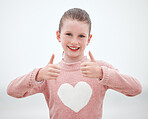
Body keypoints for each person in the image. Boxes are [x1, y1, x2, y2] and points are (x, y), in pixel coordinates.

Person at [7, 8, 142, 119]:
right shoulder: (49, 73)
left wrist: (102, 73)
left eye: (81, 36)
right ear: (58, 35)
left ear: (89, 39)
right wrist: (37, 75)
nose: (74, 42)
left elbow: (136, 88)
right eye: (69, 34)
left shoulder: (99, 69)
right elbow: (12, 91)